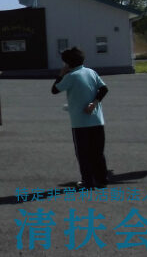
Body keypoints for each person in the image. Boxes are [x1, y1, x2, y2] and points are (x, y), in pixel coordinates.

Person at [52, 47, 109, 188]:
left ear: (67, 63)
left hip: (80, 122)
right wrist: (94, 103)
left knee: (83, 154)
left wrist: (61, 74)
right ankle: (101, 179)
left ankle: (87, 181)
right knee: (98, 152)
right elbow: (104, 89)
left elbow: (55, 89)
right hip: (97, 120)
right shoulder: (91, 72)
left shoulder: (71, 76)